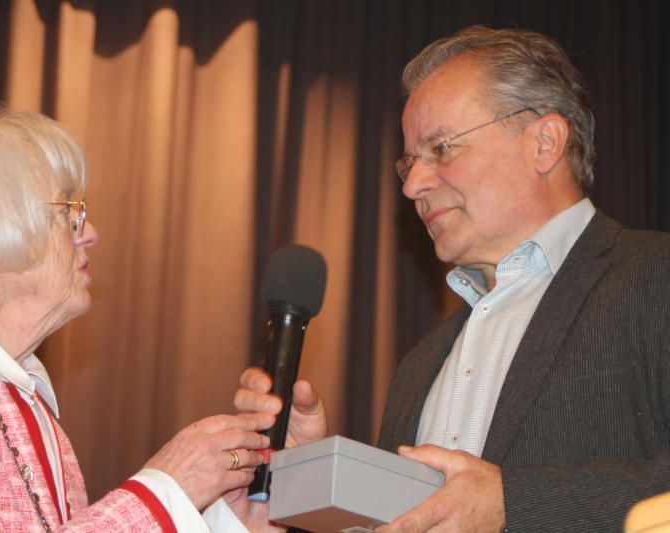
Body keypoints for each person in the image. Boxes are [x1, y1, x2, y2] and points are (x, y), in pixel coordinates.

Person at [235, 26, 670, 532]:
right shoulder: (420, 364)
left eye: (441, 148)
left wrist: (511, 504)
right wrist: (314, 479)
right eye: (409, 163)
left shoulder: (655, 275)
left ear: (544, 143)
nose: (413, 186)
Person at [0, 104, 272, 531]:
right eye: (68, 212)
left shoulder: (24, 397)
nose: (90, 232)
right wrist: (167, 489)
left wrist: (227, 523)